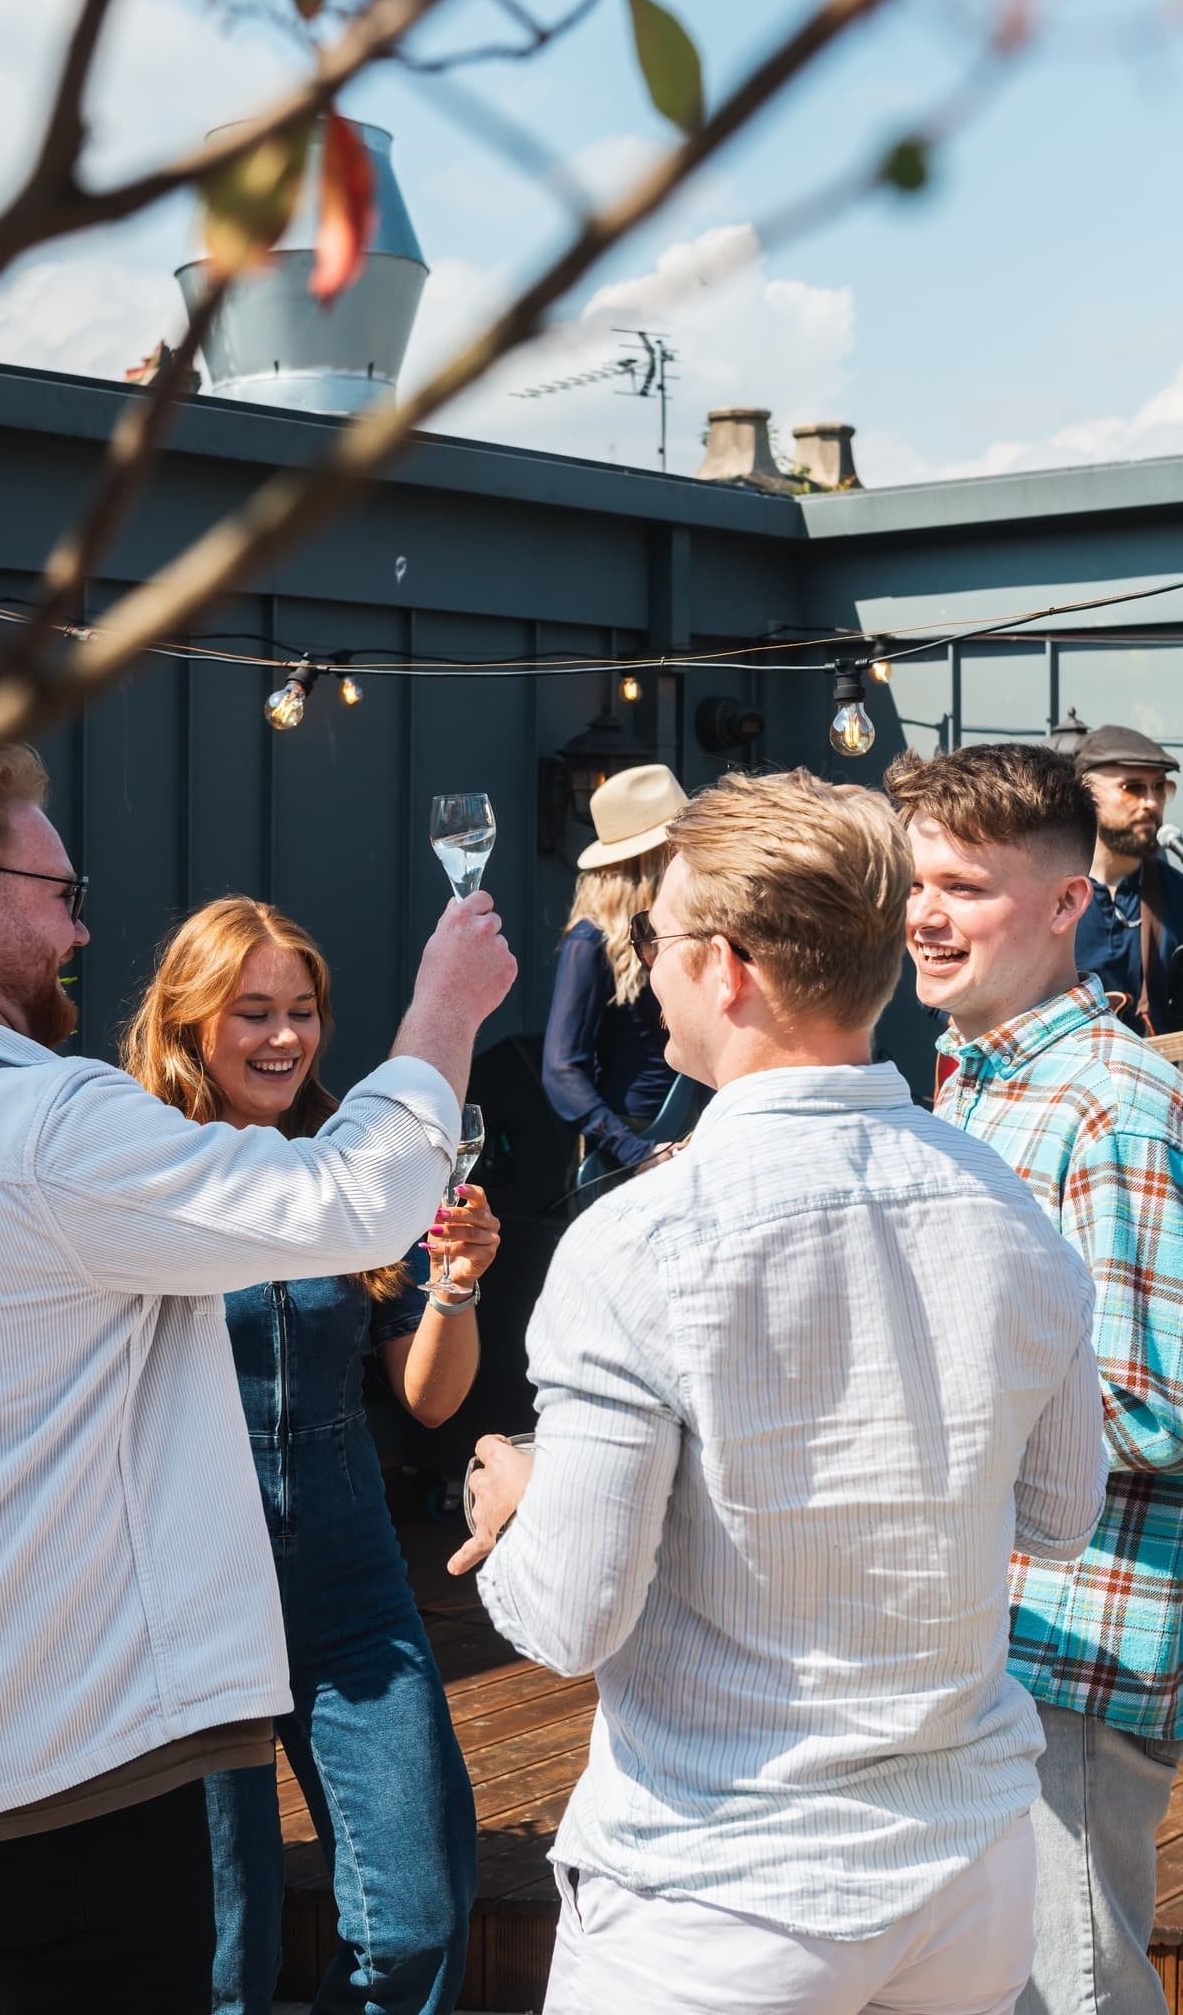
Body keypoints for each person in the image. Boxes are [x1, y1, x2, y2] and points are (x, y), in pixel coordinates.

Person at [0, 745, 515, 2015]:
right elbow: (357, 1195)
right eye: (60, 890)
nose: (82, 924)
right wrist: (445, 1007)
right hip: (66, 1778)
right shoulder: (44, 1124)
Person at [454, 767, 1104, 2015]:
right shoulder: (1007, 1205)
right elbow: (1060, 1512)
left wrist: (519, 1503)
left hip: (725, 1887)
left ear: (729, 968)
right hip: (965, 1869)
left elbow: (572, 1621)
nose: (646, 962)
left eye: (659, 938)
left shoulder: (643, 1238)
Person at [121, 897, 495, 2015]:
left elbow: (428, 1398)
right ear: (191, 1019)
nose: (285, 1037)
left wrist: (457, 1286)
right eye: (253, 1012)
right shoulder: (135, 1170)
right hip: (189, 1588)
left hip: (349, 1573)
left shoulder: (356, 1165)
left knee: (420, 1912)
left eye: (303, 1010)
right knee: (223, 1953)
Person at [887, 740, 1183, 2015]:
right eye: (918, 882)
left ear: (1069, 902)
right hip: (982, 1625)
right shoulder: (971, 1081)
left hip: (1077, 1641)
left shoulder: (1112, 1104)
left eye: (965, 885)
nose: (924, 914)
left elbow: (1151, 1405)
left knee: (1078, 1986)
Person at [541, 763, 686, 1174]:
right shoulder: (590, 941)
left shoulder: (685, 926)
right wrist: (633, 1150)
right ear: (657, 856)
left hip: (696, 1128)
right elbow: (561, 1069)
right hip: (640, 1137)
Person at [1072, 722, 1183, 1035]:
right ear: (1087, 795)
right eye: (1133, 789)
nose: (1151, 802)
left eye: (1160, 787)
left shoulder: (1175, 893)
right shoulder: (1040, 893)